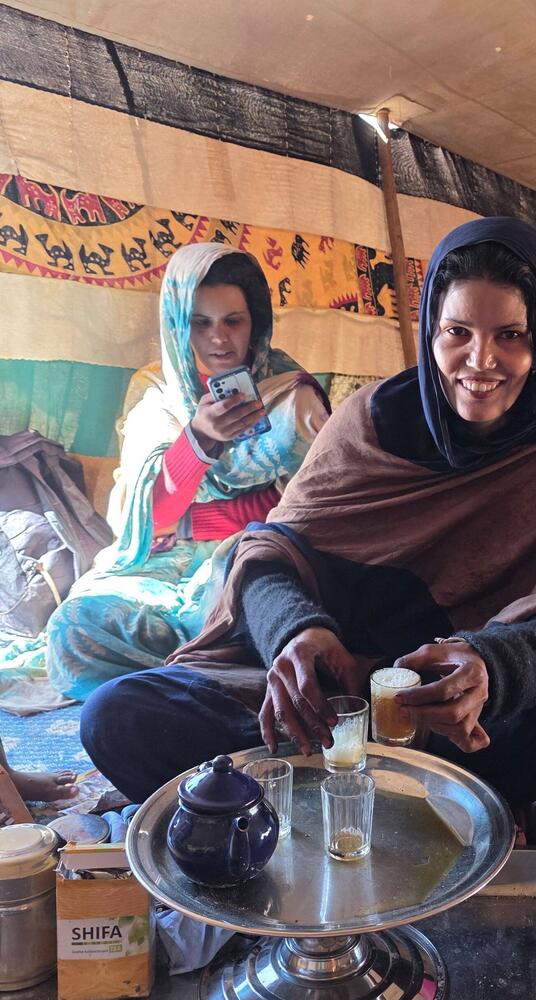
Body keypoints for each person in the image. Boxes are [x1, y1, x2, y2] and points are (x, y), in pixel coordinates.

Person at [81, 217, 536, 808]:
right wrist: (298, 631)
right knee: (115, 714)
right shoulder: (373, 420)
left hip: (460, 716)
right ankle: (409, 807)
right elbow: (268, 551)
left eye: (510, 335)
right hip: (332, 702)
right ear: (430, 331)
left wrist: (494, 666)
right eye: (456, 331)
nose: (479, 361)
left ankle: (313, 804)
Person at [46, 244, 329, 701]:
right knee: (72, 631)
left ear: (255, 321)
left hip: (246, 565)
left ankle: (190, 677)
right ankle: (214, 673)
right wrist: (198, 442)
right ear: (179, 325)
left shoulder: (291, 399)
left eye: (233, 321)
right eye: (201, 323)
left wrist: (205, 523)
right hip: (158, 570)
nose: (219, 339)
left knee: (275, 609)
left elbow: (310, 509)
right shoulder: (157, 394)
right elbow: (144, 521)